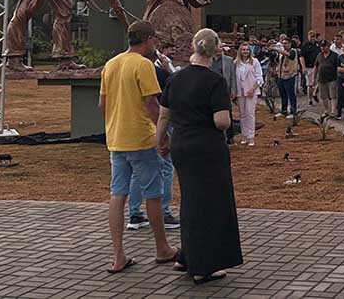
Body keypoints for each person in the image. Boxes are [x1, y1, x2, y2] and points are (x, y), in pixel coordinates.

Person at [157, 28, 242, 284]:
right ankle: (203, 266)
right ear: (216, 50)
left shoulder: (176, 78)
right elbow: (222, 122)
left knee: (190, 200)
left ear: (194, 46)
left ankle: (185, 255)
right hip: (207, 148)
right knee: (209, 204)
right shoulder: (215, 82)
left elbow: (163, 114)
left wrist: (160, 140)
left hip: (182, 144)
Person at [99, 20, 179, 273]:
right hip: (141, 139)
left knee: (117, 194)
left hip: (116, 139)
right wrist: (162, 136)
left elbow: (102, 105)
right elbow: (152, 104)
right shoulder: (143, 65)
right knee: (153, 194)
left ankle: (118, 255)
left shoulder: (111, 64)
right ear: (149, 39)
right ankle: (162, 248)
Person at [127, 49, 179, 231]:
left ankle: (135, 213)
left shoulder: (121, 68)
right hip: (155, 124)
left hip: (133, 126)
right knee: (165, 167)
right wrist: (169, 68)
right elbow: (174, 88)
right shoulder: (155, 72)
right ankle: (163, 212)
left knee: (136, 171)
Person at [234, 42, 263, 146]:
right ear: (240, 51)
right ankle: (244, 135)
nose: (245, 51)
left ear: (249, 51)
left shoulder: (254, 62)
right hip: (240, 91)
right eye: (243, 50)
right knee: (242, 114)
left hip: (251, 91)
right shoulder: (236, 62)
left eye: (247, 50)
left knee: (250, 113)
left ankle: (251, 137)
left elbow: (259, 77)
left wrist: (253, 89)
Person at [211, 45, 238, 145]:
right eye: (217, 47)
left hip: (225, 91)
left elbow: (232, 76)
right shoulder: (208, 60)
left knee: (228, 114)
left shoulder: (228, 60)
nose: (219, 49)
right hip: (211, 91)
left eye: (220, 48)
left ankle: (230, 137)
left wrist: (233, 90)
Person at [271, 36, 299, 120]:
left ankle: (293, 112)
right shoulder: (281, 53)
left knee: (291, 94)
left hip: (289, 76)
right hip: (281, 76)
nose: (284, 45)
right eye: (283, 43)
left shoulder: (293, 51)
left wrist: (277, 49)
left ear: (290, 44)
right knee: (283, 94)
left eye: (286, 43)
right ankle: (284, 111)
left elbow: (290, 56)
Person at [313, 41, 340, 117]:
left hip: (332, 78)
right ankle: (326, 110)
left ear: (328, 46)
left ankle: (333, 111)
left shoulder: (335, 55)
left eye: (324, 46)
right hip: (321, 79)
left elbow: (338, 67)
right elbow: (316, 66)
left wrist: (338, 78)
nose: (322, 48)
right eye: (321, 46)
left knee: (333, 95)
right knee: (323, 96)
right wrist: (314, 78)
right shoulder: (319, 55)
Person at [299, 31, 320, 105]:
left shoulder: (318, 45)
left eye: (314, 36)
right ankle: (310, 99)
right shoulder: (305, 46)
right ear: (308, 37)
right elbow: (301, 57)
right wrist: (303, 67)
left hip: (318, 67)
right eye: (311, 37)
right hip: (309, 67)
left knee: (320, 82)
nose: (312, 38)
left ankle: (314, 93)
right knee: (310, 84)